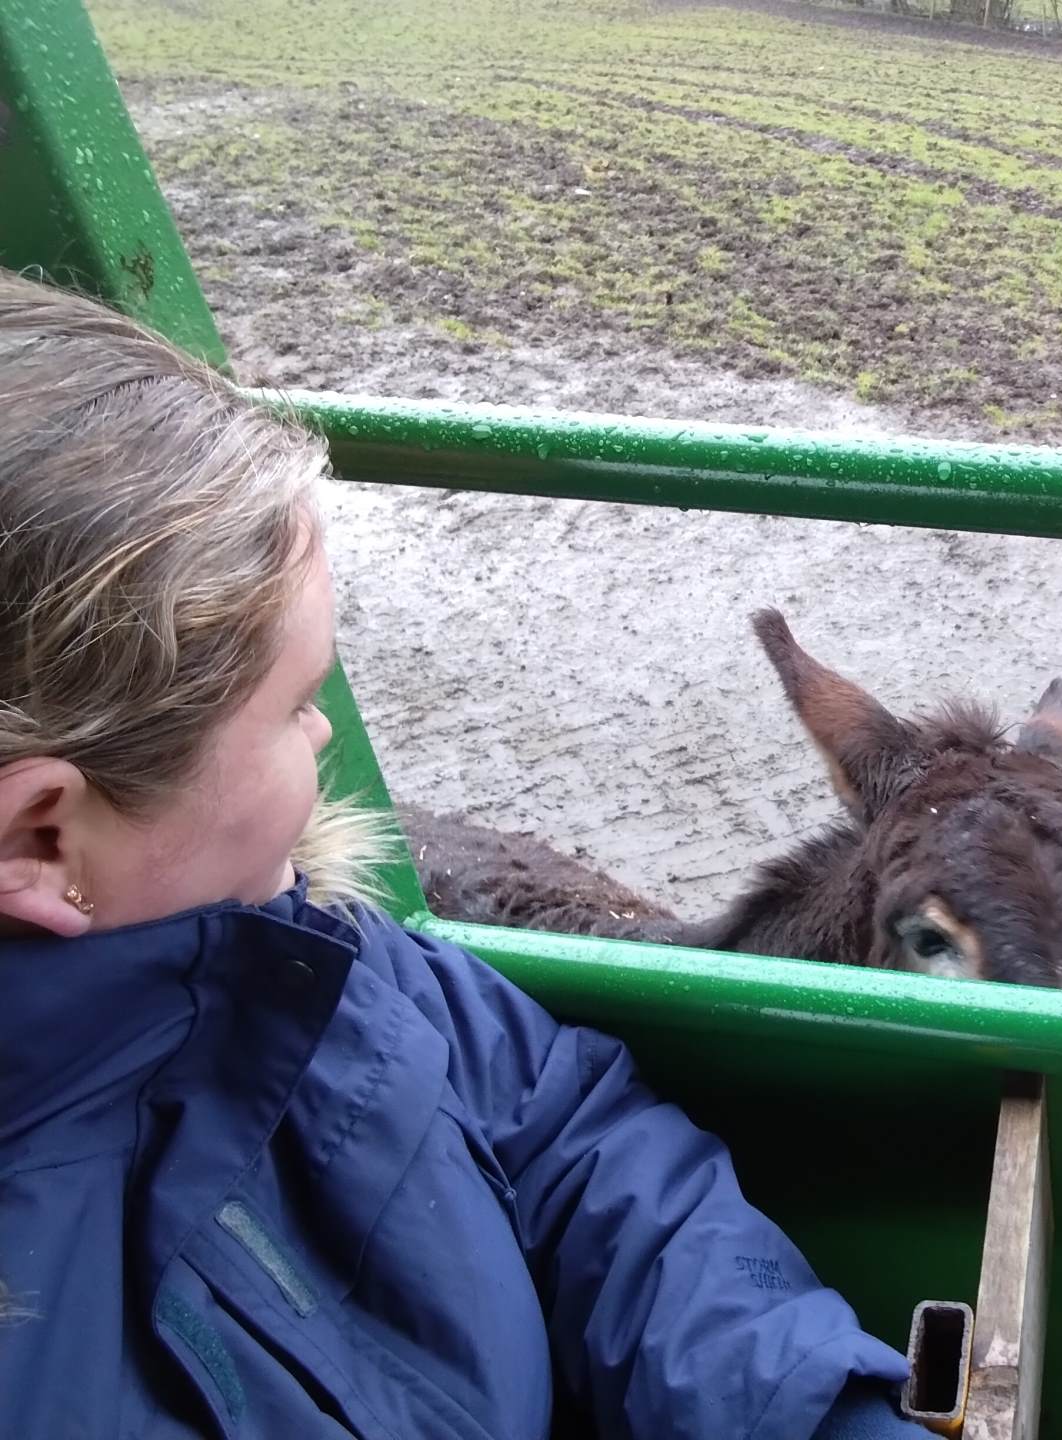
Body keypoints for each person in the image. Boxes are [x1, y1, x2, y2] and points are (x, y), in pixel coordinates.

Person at [0, 270, 926, 1439]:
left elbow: (566, 1134)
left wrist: (820, 1416)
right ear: (44, 837)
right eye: (294, 707)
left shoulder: (300, 955)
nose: (326, 734)